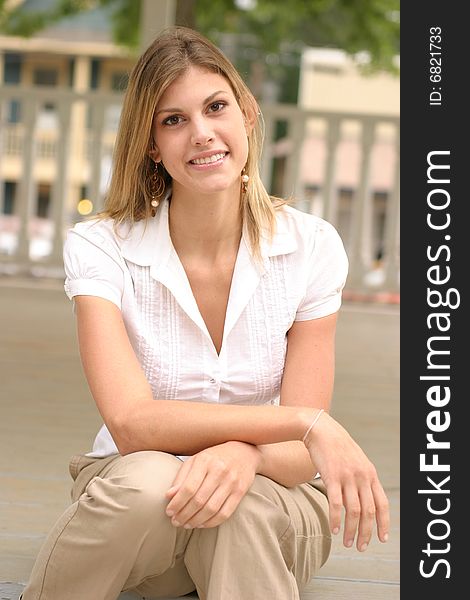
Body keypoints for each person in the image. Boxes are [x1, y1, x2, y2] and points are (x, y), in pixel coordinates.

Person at [22, 26, 389, 600]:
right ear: (151, 144)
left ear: (245, 114)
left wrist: (241, 452)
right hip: (144, 515)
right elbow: (133, 425)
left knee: (241, 507)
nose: (202, 134)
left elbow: (294, 461)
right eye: (173, 120)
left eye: (216, 107)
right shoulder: (102, 246)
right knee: (147, 480)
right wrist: (303, 423)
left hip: (274, 503)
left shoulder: (313, 247)